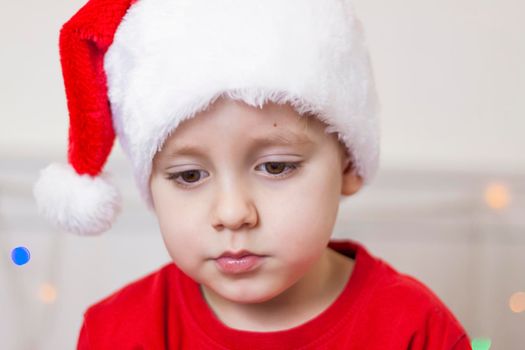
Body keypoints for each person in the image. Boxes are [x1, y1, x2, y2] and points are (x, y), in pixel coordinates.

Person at [33, 0, 472, 348]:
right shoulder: (118, 333)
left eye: (276, 166)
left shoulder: (417, 330)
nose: (232, 213)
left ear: (349, 166)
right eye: (188, 176)